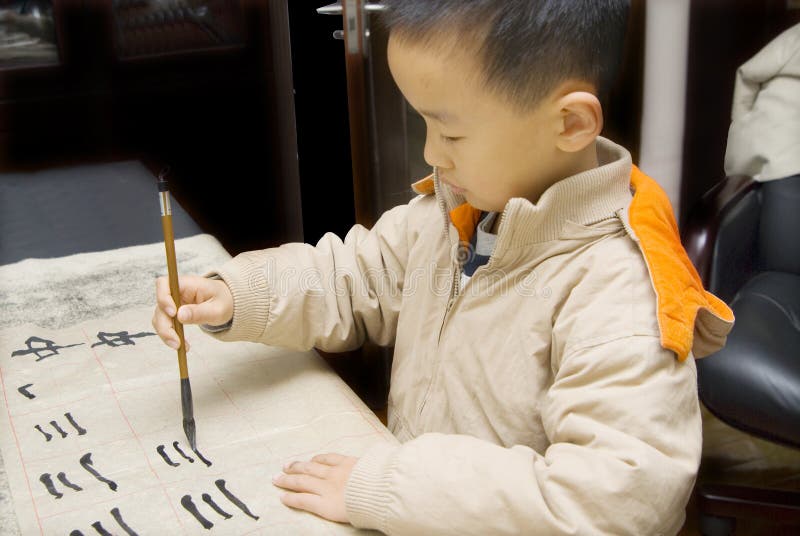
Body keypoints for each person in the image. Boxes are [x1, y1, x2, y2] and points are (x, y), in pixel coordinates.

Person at [152, 1, 734, 533]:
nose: (432, 153)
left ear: (570, 124)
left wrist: (391, 486)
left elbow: (610, 504)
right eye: (424, 124)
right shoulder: (456, 211)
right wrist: (240, 294)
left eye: (450, 130)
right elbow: (355, 275)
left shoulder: (619, 289)